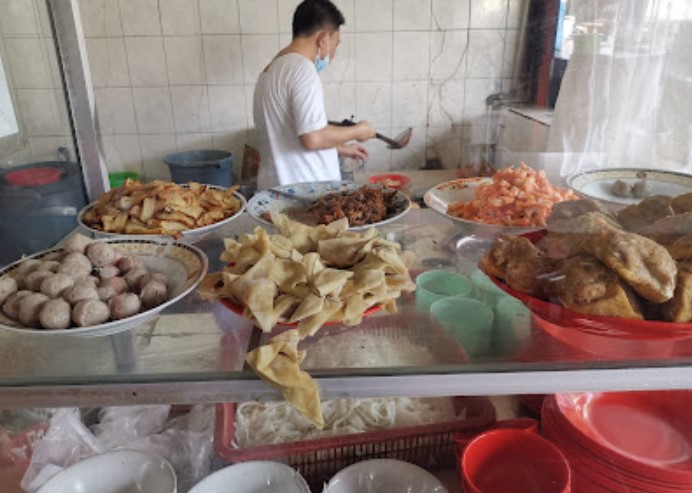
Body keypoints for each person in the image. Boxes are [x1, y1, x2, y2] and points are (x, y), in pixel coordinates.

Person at [253, 0, 376, 189]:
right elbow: (313, 138)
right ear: (323, 39)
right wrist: (359, 131)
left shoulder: (270, 70)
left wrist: (340, 149)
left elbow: (290, 136)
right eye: (336, 44)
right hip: (304, 196)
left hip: (276, 189)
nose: (333, 53)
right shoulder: (303, 70)